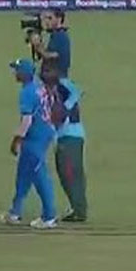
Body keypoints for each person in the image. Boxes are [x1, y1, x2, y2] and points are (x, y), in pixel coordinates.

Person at [0, 59, 58, 229]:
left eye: (17, 70)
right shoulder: (39, 86)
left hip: (35, 137)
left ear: (24, 74)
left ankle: (49, 216)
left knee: (39, 175)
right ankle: (14, 212)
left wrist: (16, 140)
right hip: (45, 130)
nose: (15, 73)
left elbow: (27, 120)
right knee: (23, 174)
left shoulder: (27, 92)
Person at [44, 60, 88, 222]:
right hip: (63, 136)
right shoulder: (49, 89)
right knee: (65, 173)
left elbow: (78, 91)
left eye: (48, 71)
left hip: (72, 136)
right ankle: (75, 207)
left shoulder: (63, 84)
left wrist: (66, 108)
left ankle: (79, 210)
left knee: (71, 173)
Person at [33, 9, 71, 77]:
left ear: (59, 19)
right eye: (45, 18)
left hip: (57, 79)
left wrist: (38, 46)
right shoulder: (55, 35)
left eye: (50, 18)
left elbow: (51, 56)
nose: (47, 22)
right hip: (52, 78)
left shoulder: (60, 36)